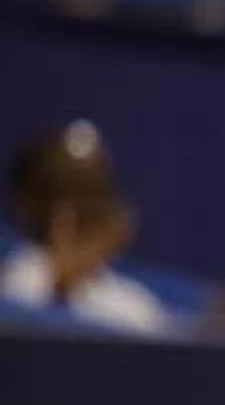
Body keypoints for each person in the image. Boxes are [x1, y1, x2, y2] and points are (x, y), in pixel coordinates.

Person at [1, 120, 166, 334]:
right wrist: (62, 286)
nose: (78, 209)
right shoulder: (20, 278)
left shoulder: (135, 303)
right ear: (27, 202)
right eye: (60, 190)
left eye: (91, 192)